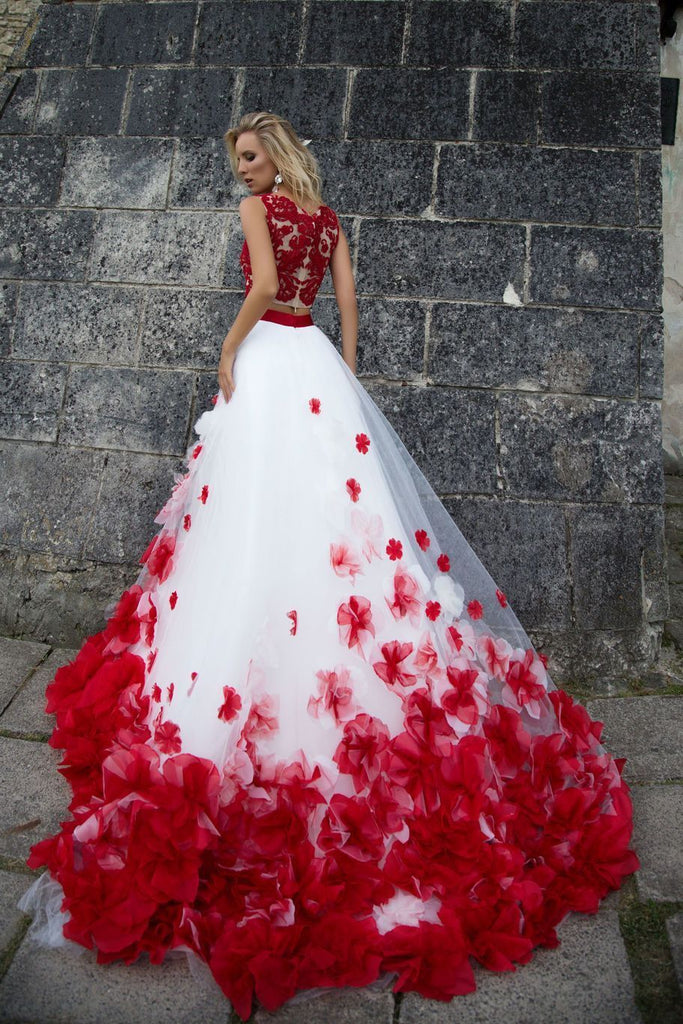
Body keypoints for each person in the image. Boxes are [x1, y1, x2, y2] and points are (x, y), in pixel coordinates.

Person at [17, 111, 639, 1021]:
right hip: (315, 362)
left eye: (249, 155)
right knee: (338, 524)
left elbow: (266, 286)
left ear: (272, 156)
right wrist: (343, 379)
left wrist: (230, 349)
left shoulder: (256, 212)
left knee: (253, 516)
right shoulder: (333, 217)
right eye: (239, 161)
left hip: (272, 354)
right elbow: (346, 306)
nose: (243, 169)